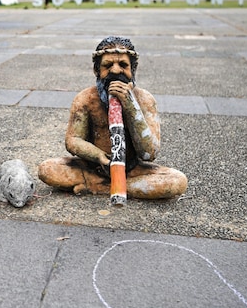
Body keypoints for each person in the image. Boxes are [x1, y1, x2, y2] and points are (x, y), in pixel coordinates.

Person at [38, 36, 187, 200]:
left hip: (131, 170)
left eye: (123, 65)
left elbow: (149, 153)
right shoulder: (85, 99)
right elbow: (73, 140)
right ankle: (117, 187)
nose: (115, 71)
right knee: (47, 169)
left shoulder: (145, 100)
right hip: (93, 168)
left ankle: (104, 186)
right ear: (97, 70)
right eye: (107, 65)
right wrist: (97, 155)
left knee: (177, 182)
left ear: (133, 69)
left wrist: (131, 106)